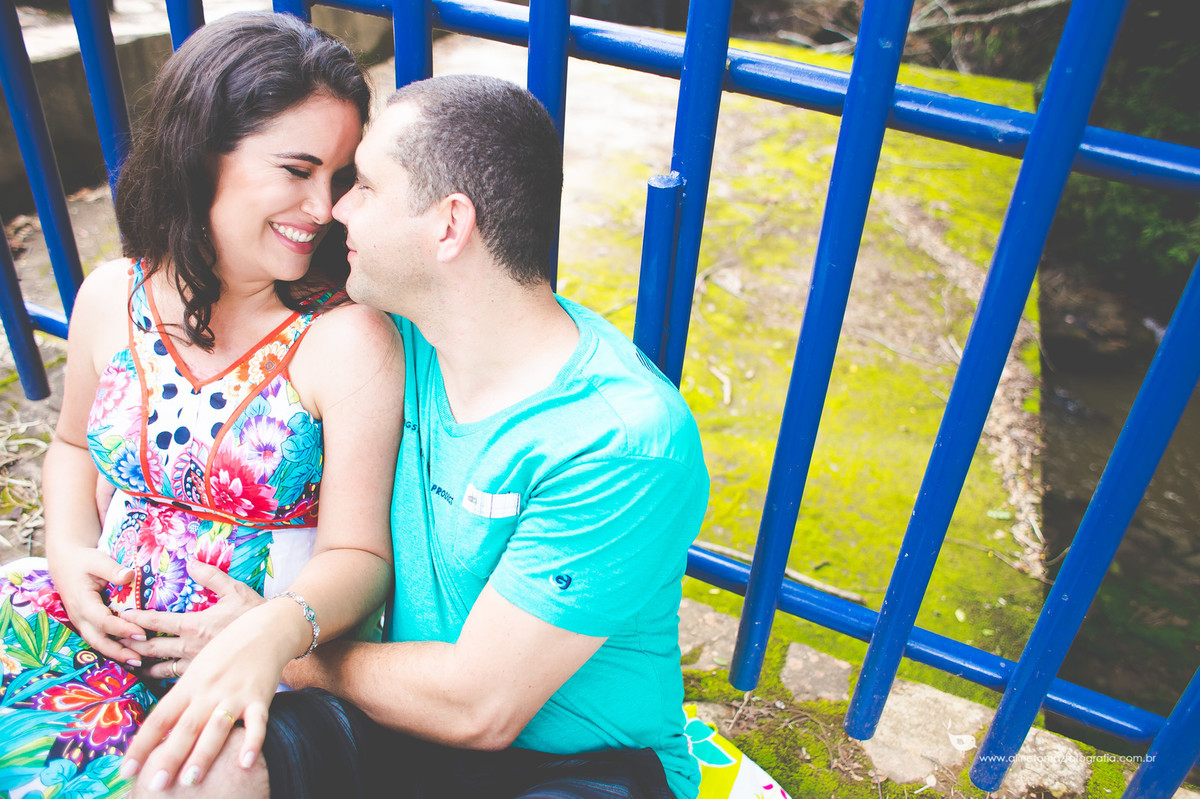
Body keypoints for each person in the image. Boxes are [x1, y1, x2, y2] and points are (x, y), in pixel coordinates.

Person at [124, 74, 710, 799]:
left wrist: (278, 639)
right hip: (387, 728)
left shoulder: (620, 440)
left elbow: (480, 705)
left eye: (363, 184)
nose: (337, 209)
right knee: (194, 770)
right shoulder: (391, 335)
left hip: (574, 766)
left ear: (449, 224)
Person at [0, 12, 402, 797]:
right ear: (201, 152)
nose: (325, 207)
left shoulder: (347, 340)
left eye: (340, 176)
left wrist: (271, 631)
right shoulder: (111, 295)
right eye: (297, 169)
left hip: (249, 663)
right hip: (99, 631)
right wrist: (68, 553)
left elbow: (362, 559)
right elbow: (74, 449)